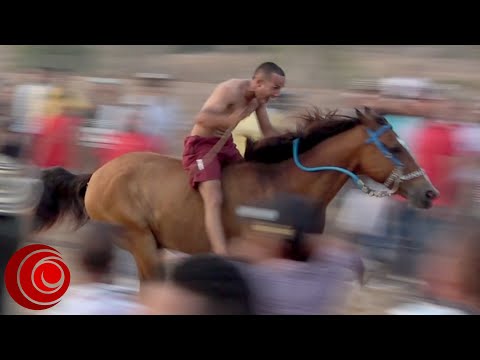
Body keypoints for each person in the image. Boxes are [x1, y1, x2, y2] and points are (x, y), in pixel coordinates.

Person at [182, 62, 286, 256]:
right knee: (213, 196)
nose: (277, 94)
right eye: (275, 88)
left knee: (252, 182)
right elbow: (201, 118)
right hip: (203, 145)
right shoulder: (229, 90)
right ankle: (221, 254)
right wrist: (229, 120)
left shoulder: (259, 100)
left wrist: (294, 143)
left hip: (226, 145)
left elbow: (268, 132)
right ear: (258, 82)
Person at [229, 193, 365, 315]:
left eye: (262, 231)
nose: (251, 236)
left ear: (284, 244)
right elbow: (350, 254)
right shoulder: (330, 269)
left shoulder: (257, 276)